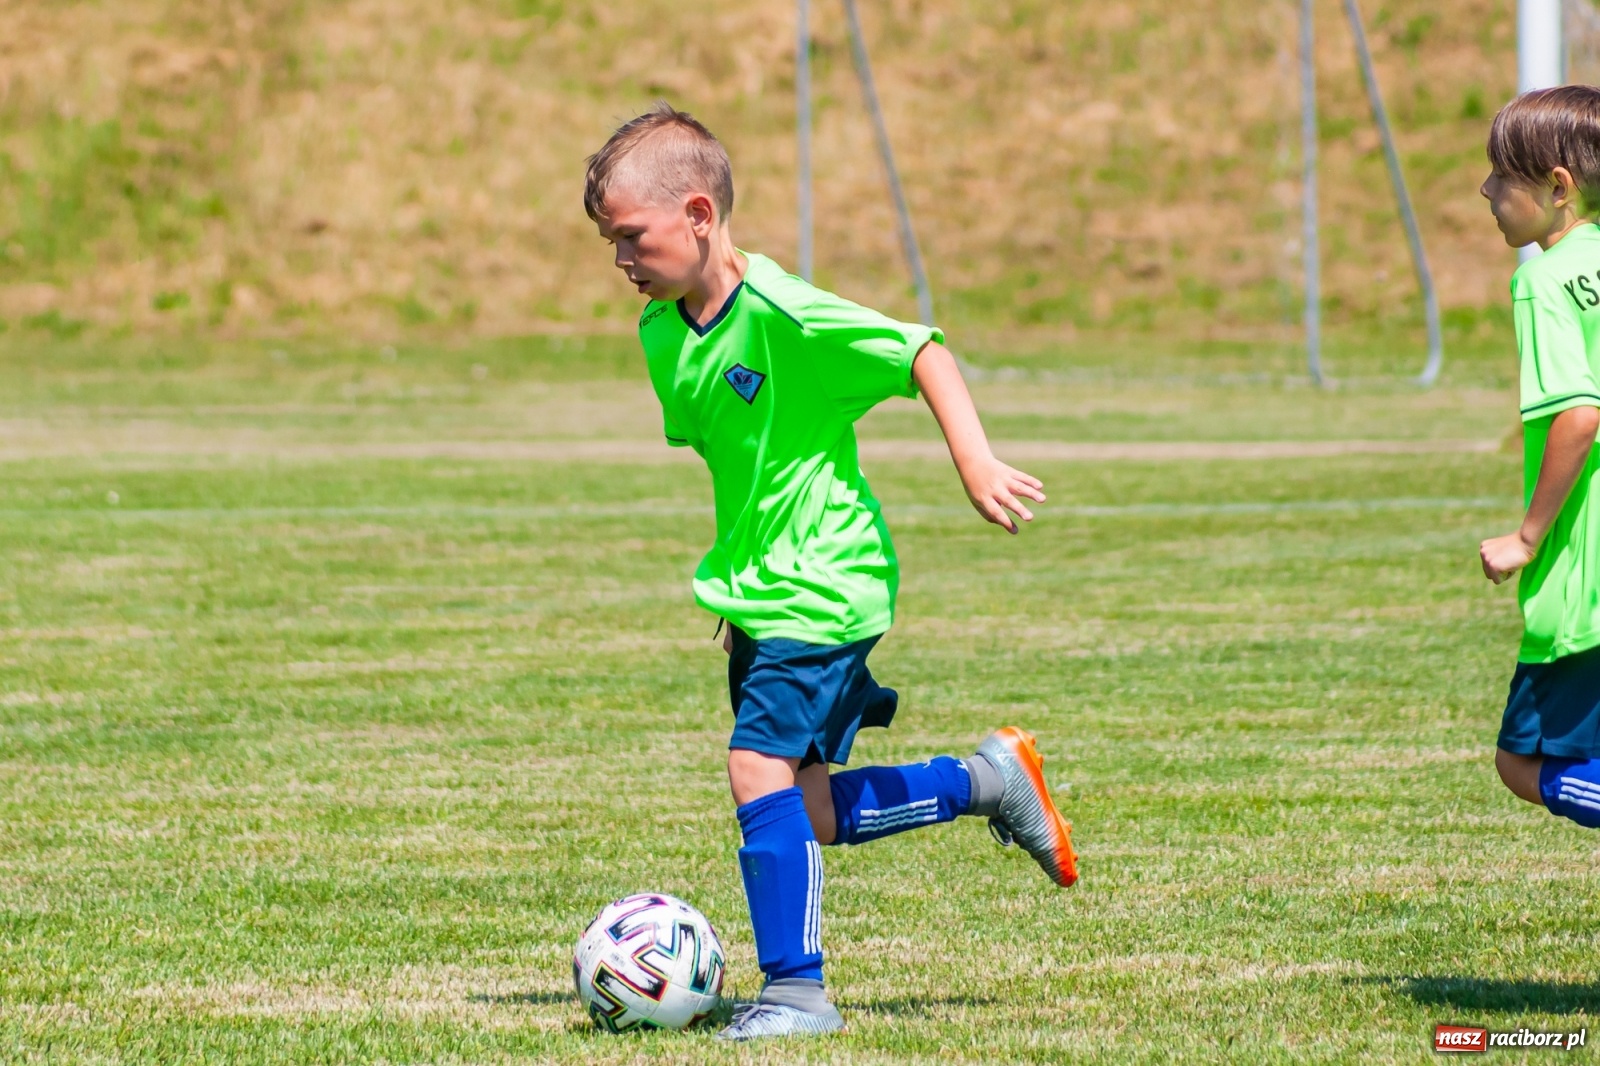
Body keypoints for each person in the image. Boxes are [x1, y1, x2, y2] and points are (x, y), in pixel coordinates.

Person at [583, 103, 1077, 1041]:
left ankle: (797, 995)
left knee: (754, 768)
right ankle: (988, 779)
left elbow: (921, 351)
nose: (621, 259)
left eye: (631, 237)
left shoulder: (787, 315)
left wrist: (974, 462)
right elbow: (745, 461)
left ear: (698, 215)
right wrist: (746, 582)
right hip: (763, 593)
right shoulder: (662, 334)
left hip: (824, 581)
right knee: (803, 807)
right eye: (610, 243)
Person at [1478, 86, 1600, 833]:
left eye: (1502, 175)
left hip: (1585, 581)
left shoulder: (1544, 281)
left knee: (1521, 761)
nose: (1486, 190)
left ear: (1558, 187)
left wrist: (1527, 537)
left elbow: (1579, 414)